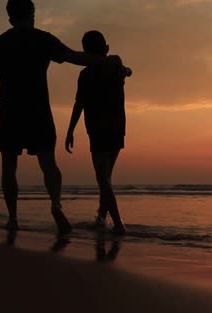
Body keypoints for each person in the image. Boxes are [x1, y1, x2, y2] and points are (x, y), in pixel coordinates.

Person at [0, 0, 128, 235]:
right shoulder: (43, 39)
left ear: (10, 18)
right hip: (39, 111)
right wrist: (105, 59)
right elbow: (73, 57)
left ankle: (13, 219)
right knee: (49, 165)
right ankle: (56, 204)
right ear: (33, 15)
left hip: (10, 113)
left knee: (9, 166)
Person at [65, 31, 130, 235]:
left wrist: (70, 130)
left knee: (103, 180)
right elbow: (127, 71)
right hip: (117, 128)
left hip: (98, 129)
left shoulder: (86, 74)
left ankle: (118, 225)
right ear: (106, 47)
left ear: (85, 52)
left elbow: (79, 104)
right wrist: (126, 70)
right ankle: (101, 219)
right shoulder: (115, 65)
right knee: (106, 179)